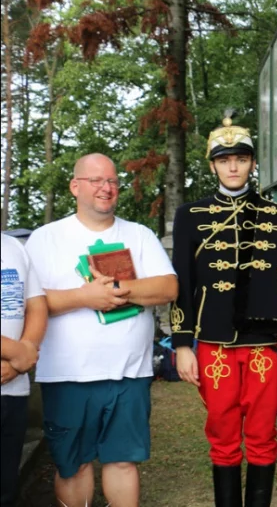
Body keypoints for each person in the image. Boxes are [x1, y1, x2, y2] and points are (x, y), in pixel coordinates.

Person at [171, 115, 277, 507]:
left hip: (267, 344)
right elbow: (183, 282)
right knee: (222, 436)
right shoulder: (189, 217)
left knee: (262, 435)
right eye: (225, 160)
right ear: (213, 166)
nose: (234, 166)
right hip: (212, 342)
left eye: (241, 158)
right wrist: (182, 343)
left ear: (253, 163)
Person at [25, 153, 178, 507]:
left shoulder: (138, 234)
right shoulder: (46, 238)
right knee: (73, 465)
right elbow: (32, 302)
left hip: (129, 373)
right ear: (75, 186)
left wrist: (121, 291)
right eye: (96, 180)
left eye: (112, 181)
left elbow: (168, 288)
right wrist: (85, 297)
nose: (106, 188)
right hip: (67, 375)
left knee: (123, 461)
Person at [1, 232, 48, 506]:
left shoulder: (13, 246)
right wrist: (18, 354)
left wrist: (25, 351)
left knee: (6, 488)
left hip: (13, 392)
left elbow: (36, 306)